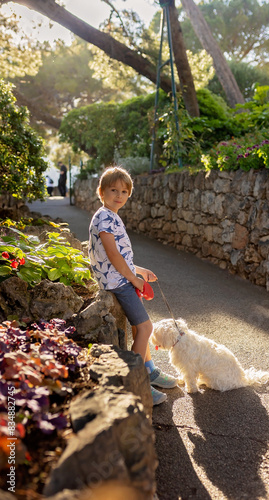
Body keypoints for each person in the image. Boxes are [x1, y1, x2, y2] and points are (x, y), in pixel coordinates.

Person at [88, 166, 177, 405]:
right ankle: (136, 381)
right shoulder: (104, 217)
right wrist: (134, 279)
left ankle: (148, 369)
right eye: (113, 190)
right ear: (101, 191)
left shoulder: (111, 215)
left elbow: (119, 256)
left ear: (129, 195)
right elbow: (113, 257)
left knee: (139, 327)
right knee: (146, 327)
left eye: (124, 191)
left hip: (121, 277)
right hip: (118, 282)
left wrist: (139, 270)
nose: (119, 195)